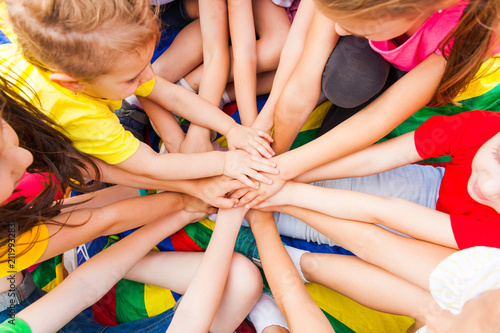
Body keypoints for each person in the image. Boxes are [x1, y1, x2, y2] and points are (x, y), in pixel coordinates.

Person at [0, 74, 263, 332]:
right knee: (240, 280)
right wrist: (227, 210)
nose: (24, 157)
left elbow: (84, 287)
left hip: (15, 296)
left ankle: (88, 251)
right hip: (18, 284)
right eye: (10, 173)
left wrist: (184, 203)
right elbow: (191, 320)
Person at [250, 110, 500, 328]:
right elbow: (379, 158)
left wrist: (285, 194)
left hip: (440, 237)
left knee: (285, 211)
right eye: (496, 156)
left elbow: (384, 214)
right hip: (431, 189)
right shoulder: (485, 127)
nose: (487, 189)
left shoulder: (491, 240)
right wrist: (286, 176)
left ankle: (271, 243)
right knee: (304, 189)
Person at [238, 0, 500, 207]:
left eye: (355, 26)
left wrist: (283, 172)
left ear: (405, 16)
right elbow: (302, 83)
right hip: (391, 34)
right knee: (348, 82)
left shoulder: (471, 29)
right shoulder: (364, 11)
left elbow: (380, 118)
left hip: (422, 58)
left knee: (333, 151)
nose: (338, 29)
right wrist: (274, 161)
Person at [1, 0, 278, 193]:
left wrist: (231, 128)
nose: (148, 75)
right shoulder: (85, 120)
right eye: (131, 77)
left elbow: (173, 96)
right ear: (74, 85)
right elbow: (150, 165)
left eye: (147, 62)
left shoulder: (41, 22)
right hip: (39, 139)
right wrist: (228, 162)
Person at [150, 0, 291, 153]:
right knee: (222, 18)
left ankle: (181, 91)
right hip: (160, 10)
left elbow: (240, 51)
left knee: (294, 60)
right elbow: (221, 51)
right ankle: (143, 98)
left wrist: (251, 131)